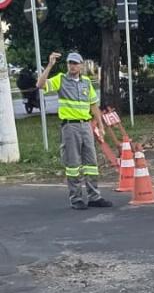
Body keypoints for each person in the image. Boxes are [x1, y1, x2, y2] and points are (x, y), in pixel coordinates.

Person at [37, 51, 113, 210]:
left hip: (86, 125)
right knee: (73, 164)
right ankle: (76, 199)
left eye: (75, 63)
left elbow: (94, 105)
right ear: (67, 65)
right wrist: (50, 65)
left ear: (81, 65)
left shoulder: (86, 82)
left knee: (91, 163)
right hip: (70, 127)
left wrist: (100, 125)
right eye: (70, 63)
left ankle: (94, 196)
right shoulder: (61, 79)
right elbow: (40, 85)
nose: (72, 66)